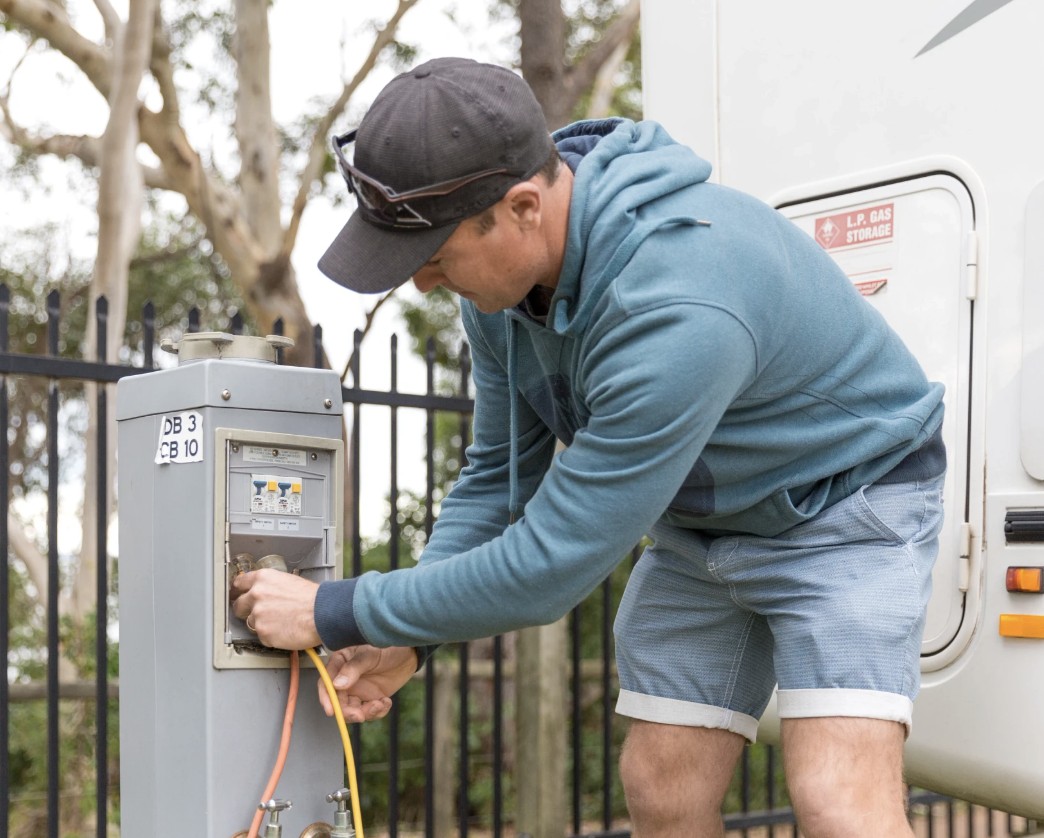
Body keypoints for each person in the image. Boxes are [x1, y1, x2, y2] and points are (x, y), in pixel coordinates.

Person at [231, 56, 946, 837]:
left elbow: (550, 567)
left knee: (836, 799)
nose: (424, 287)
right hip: (706, 526)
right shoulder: (498, 295)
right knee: (661, 786)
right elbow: (498, 485)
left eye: (433, 258)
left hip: (846, 508)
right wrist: (409, 636)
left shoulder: (676, 300)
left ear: (524, 207)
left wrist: (338, 609)